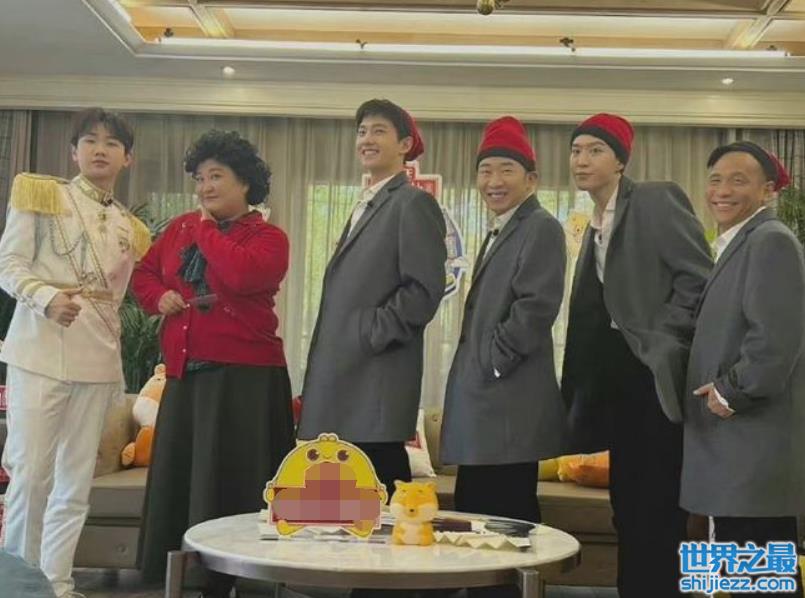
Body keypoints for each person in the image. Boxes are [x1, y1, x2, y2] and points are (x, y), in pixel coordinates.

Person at [132, 130, 294, 598]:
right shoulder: (179, 228)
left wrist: (206, 230)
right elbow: (144, 274)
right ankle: (185, 577)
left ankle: (235, 580)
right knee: (184, 482)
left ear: (245, 183)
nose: (205, 187)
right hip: (186, 376)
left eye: (216, 176)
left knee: (233, 481)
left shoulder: (268, 237)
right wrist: (159, 296)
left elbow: (241, 275)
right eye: (200, 178)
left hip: (245, 380)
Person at [0, 107, 150, 598]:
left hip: (97, 360)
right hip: (40, 351)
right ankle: (20, 587)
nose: (99, 150)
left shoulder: (131, 227)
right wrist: (46, 298)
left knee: (75, 483)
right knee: (30, 477)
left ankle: (58, 582)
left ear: (127, 158)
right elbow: (8, 263)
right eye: (90, 140)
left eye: (111, 143)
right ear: (74, 151)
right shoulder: (43, 195)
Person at [560, 113, 712, 597]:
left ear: (621, 161)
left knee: (657, 510)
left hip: (651, 378)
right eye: (576, 150)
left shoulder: (654, 199)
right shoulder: (593, 221)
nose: (582, 160)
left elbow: (698, 277)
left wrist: (662, 336)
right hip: (615, 384)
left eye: (595, 150)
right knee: (626, 508)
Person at [440, 116, 567, 598]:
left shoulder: (541, 227)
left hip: (507, 406)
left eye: (506, 170)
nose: (493, 181)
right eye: (485, 170)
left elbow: (535, 307)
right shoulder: (504, 228)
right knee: (478, 522)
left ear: (531, 179)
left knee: (505, 527)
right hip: (488, 407)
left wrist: (492, 362)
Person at [297, 99, 446, 498]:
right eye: (362, 132)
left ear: (405, 145)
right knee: (344, 508)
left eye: (379, 131)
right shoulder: (368, 203)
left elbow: (423, 290)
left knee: (380, 504)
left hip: (375, 381)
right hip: (347, 379)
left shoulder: (412, 202)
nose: (366, 139)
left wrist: (370, 332)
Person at [681, 141, 804, 598]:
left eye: (738, 180)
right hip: (733, 449)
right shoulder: (739, 242)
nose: (722, 191)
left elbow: (775, 340)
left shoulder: (771, 241)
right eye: (715, 180)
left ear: (768, 190)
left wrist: (730, 393)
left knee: (760, 578)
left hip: (751, 445)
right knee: (739, 574)